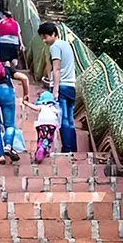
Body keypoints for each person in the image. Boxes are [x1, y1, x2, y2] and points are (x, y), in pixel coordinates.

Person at [0, 55, 30, 165]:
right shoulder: (5, 69)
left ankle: (0, 155)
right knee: (9, 125)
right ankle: (8, 145)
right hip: (6, 91)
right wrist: (26, 94)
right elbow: (24, 78)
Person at [38, 22, 77, 153]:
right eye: (42, 37)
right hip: (71, 85)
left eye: (46, 37)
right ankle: (73, 148)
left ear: (54, 34)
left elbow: (57, 68)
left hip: (61, 86)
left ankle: (67, 149)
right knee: (70, 120)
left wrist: (55, 89)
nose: (44, 40)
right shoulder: (67, 45)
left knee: (63, 119)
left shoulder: (55, 47)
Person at [23, 91, 61, 163]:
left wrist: (26, 103)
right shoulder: (54, 108)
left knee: (41, 137)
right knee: (49, 138)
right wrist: (58, 127)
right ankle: (46, 150)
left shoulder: (42, 106)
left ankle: (40, 149)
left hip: (42, 124)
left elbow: (35, 107)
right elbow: (59, 117)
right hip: (52, 124)